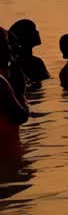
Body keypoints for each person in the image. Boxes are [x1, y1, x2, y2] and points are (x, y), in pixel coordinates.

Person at [0, 27, 31, 155]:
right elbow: (20, 117)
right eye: (6, 44)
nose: (11, 50)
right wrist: (20, 92)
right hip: (8, 155)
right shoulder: (0, 82)